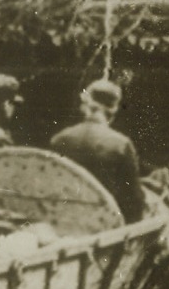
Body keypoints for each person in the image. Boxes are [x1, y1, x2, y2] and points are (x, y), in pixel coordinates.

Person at [50, 79, 144, 222]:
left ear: (85, 106)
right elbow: (133, 200)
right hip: (103, 225)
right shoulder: (121, 145)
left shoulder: (59, 139)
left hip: (61, 220)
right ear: (113, 111)